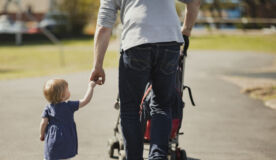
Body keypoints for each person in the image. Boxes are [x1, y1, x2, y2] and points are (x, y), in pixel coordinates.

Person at [90, 0, 200, 159]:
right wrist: (186, 30)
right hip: (170, 41)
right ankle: (157, 157)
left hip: (136, 41)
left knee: (130, 109)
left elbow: (103, 27)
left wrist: (98, 65)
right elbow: (194, 2)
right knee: (162, 105)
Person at [39, 79, 96, 160]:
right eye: (67, 89)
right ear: (62, 95)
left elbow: (43, 123)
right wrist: (91, 87)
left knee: (51, 155)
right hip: (66, 137)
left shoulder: (48, 108)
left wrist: (42, 135)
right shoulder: (69, 105)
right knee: (64, 156)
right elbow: (85, 100)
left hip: (52, 138)